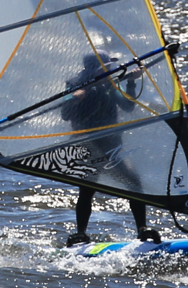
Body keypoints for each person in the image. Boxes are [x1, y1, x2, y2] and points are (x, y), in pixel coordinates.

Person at [62, 50, 162, 246]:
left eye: (109, 67)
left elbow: (128, 107)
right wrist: (74, 98)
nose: (110, 70)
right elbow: (65, 114)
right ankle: (80, 233)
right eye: (105, 68)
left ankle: (142, 229)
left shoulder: (109, 84)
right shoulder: (75, 84)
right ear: (94, 69)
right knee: (87, 188)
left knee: (134, 182)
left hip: (111, 145)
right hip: (87, 145)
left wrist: (132, 82)